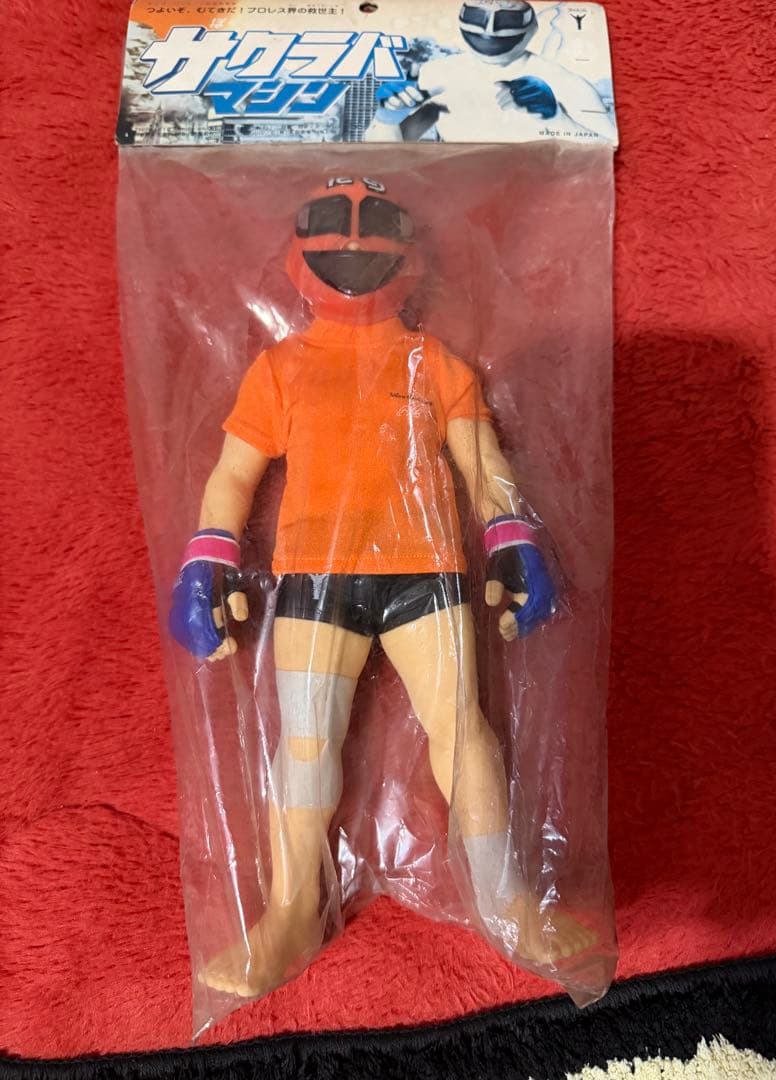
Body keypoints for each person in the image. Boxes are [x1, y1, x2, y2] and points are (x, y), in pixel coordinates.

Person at [170, 176, 595, 997]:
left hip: (425, 572)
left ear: (409, 255)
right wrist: (207, 558)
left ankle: (510, 901)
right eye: (332, 222)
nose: (354, 238)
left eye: (374, 222)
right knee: (309, 746)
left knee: (462, 732)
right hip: (316, 579)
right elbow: (232, 476)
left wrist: (512, 537)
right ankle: (290, 914)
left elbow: (482, 465)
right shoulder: (280, 368)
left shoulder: (438, 366)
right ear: (298, 257)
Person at [369, 0, 615, 143]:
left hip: (541, 191)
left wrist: (557, 119)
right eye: (477, 16)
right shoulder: (437, 73)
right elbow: (388, 154)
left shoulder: (566, 82)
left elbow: (606, 152)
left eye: (507, 19)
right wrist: (387, 119)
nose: (489, 30)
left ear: (531, 26)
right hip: (455, 189)